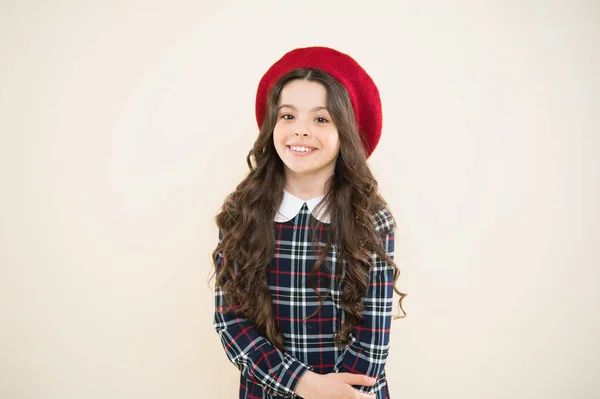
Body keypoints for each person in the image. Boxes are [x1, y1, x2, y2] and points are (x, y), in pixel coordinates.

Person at [211, 46, 406, 399]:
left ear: (345, 130)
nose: (301, 131)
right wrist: (304, 384)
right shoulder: (244, 213)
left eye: (320, 119)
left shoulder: (371, 219)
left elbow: (373, 339)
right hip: (267, 390)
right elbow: (232, 323)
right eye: (288, 116)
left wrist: (337, 391)